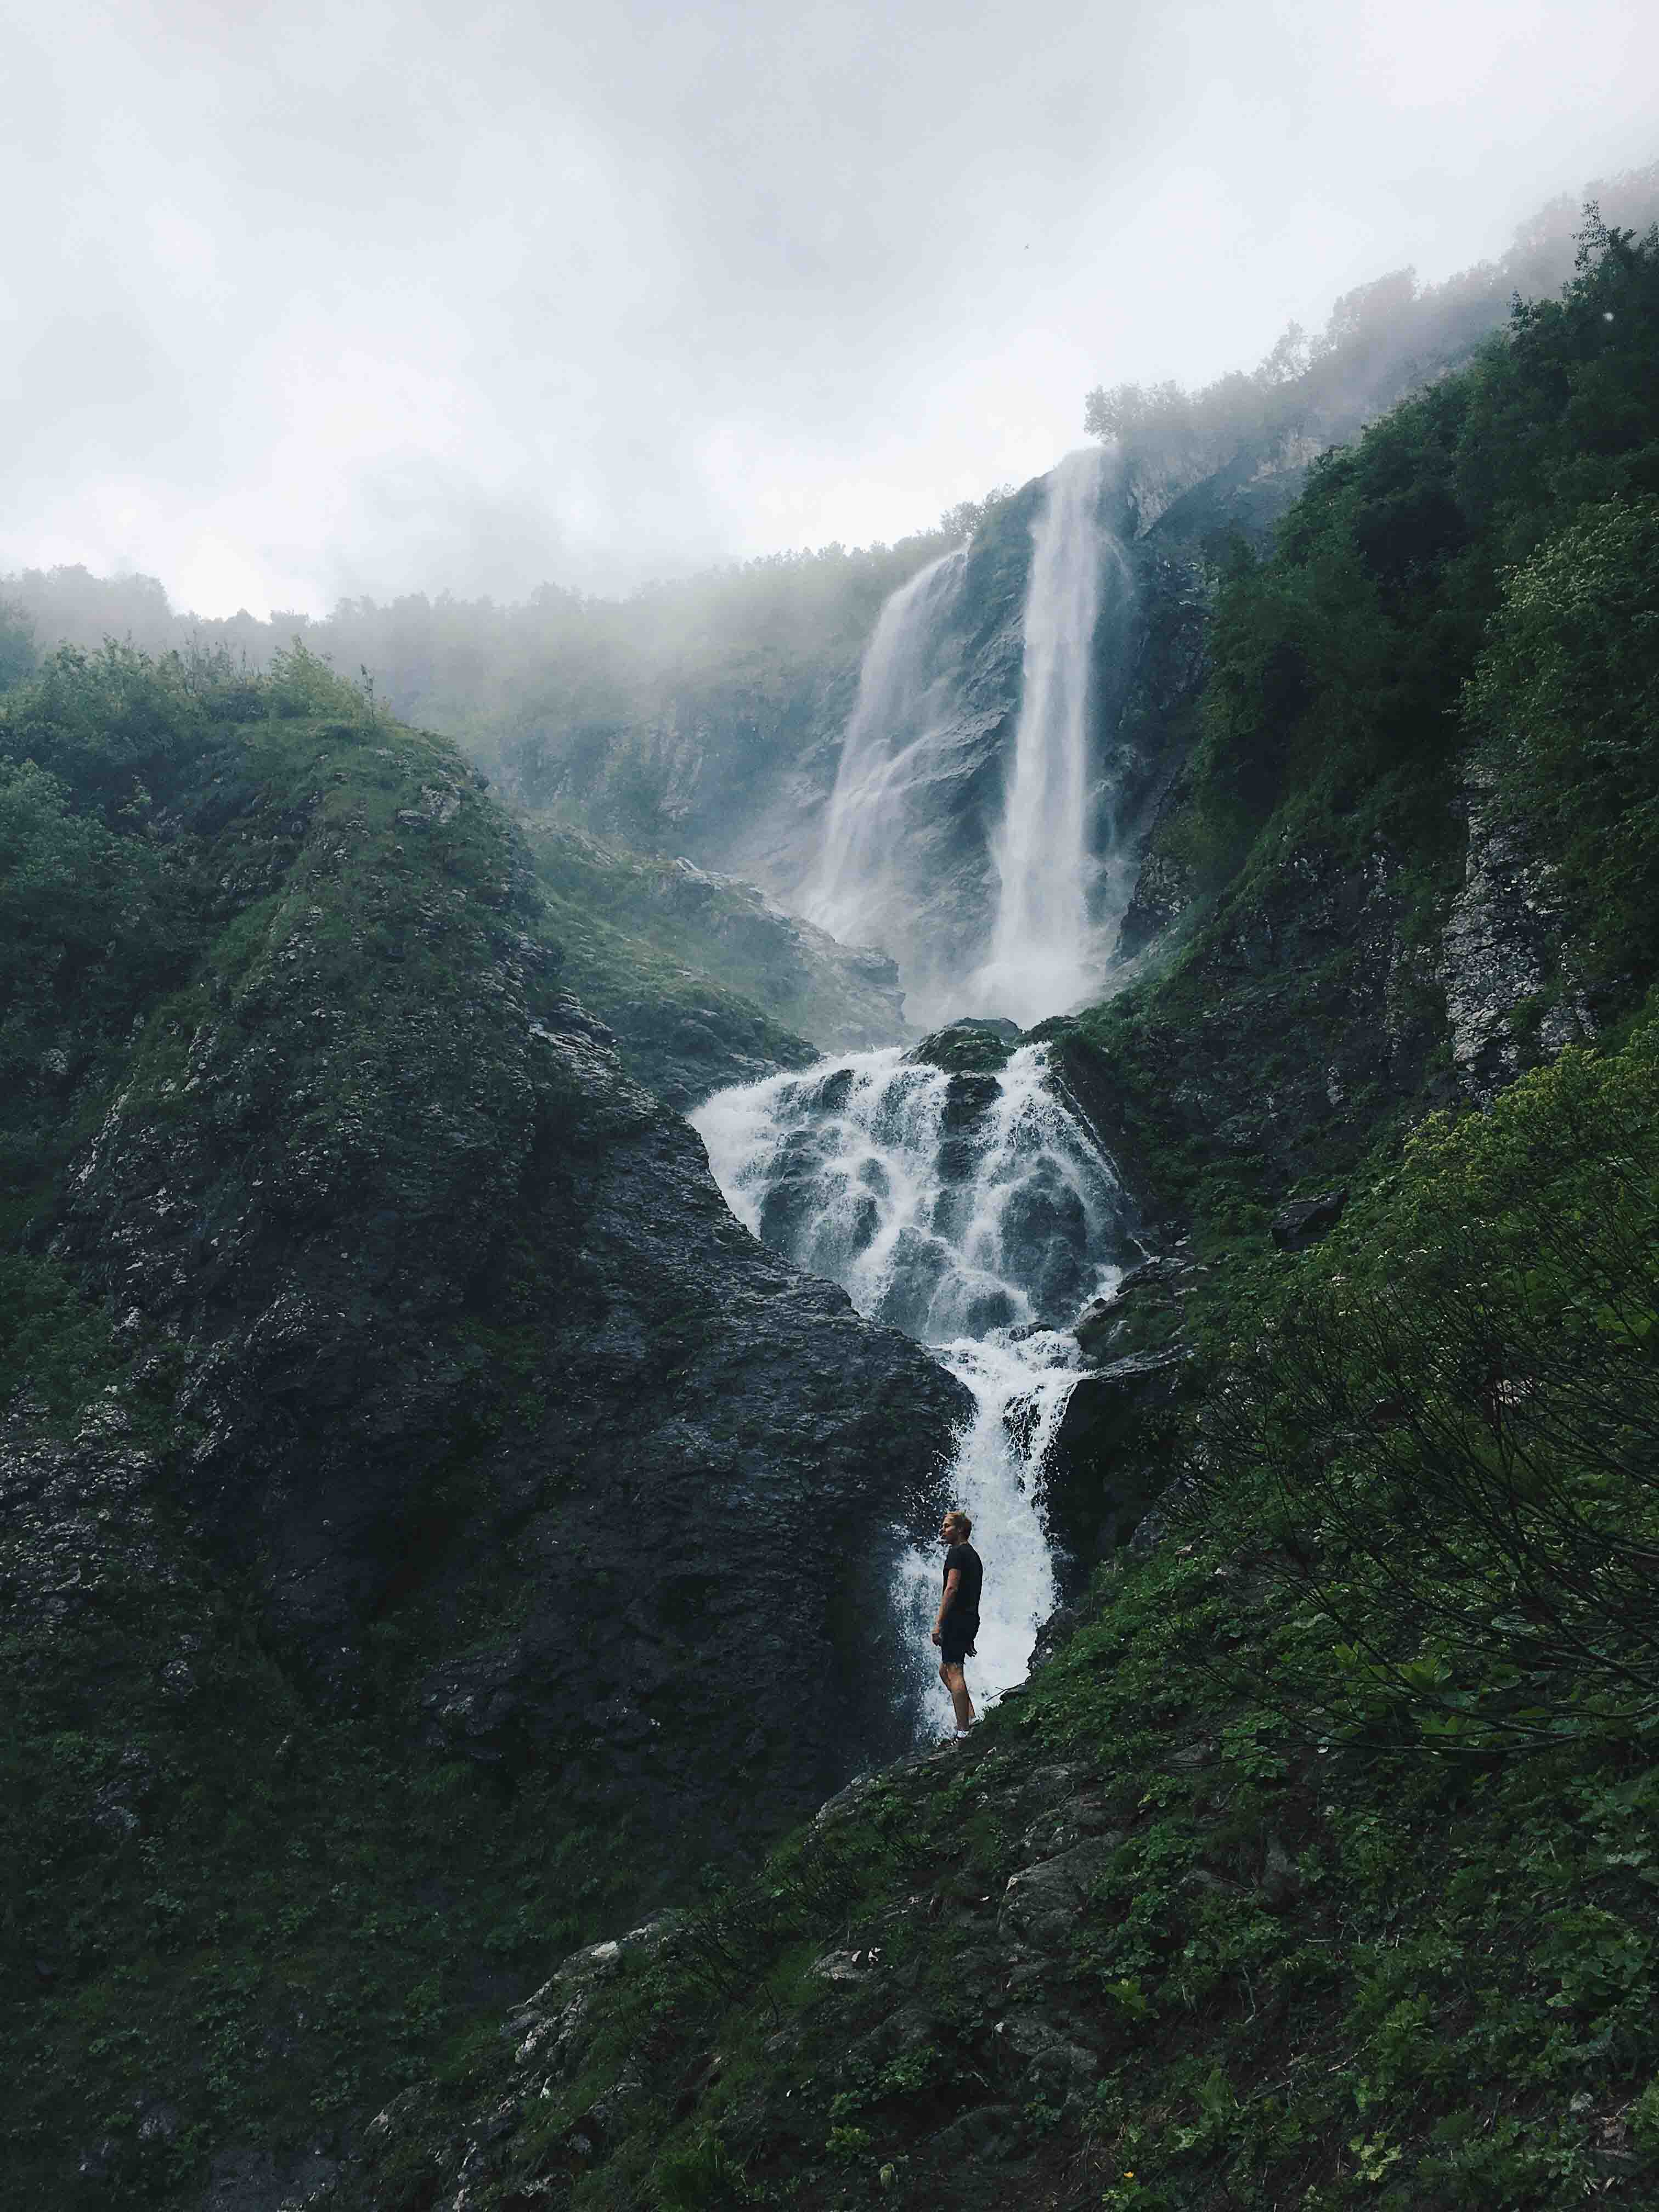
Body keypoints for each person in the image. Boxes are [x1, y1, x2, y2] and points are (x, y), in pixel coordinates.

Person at [931, 1509, 983, 1741]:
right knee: (946, 1671)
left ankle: (963, 1733)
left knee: (954, 1670)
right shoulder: (973, 1556)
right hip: (970, 1619)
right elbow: (973, 1593)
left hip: (956, 1618)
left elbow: (951, 1589)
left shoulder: (956, 1554)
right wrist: (970, 1633)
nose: (943, 1530)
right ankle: (971, 1717)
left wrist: (939, 1623)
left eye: (947, 1526)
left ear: (960, 1530)